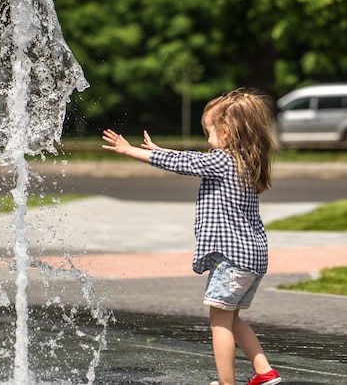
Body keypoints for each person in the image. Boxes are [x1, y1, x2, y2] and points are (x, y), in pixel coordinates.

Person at [101, 88, 282, 385]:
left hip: (231, 260)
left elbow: (186, 163)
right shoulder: (246, 162)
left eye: (209, 130)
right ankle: (265, 372)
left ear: (228, 130)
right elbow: (191, 159)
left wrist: (130, 150)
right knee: (233, 319)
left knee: (219, 323)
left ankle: (227, 383)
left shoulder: (222, 161)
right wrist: (157, 150)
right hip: (253, 259)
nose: (207, 136)